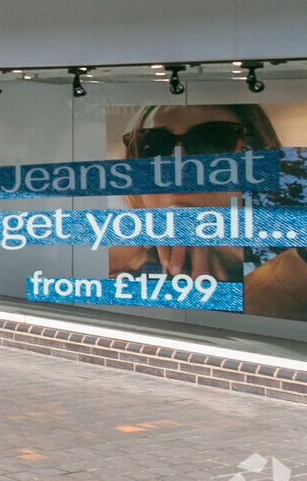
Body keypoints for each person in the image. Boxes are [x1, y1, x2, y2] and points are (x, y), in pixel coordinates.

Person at [110, 103, 307, 321]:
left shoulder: (293, 251)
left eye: (213, 140)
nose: (178, 163)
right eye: (151, 146)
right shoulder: (121, 270)